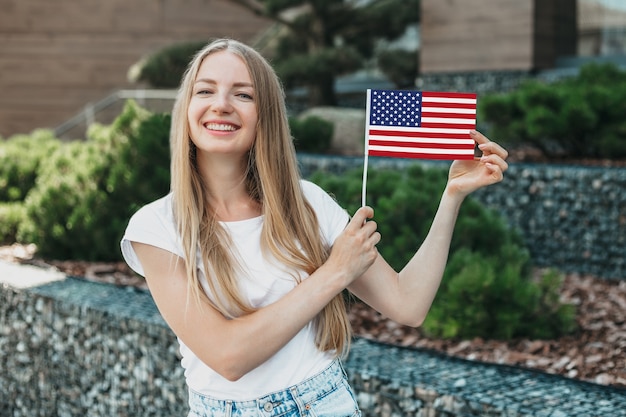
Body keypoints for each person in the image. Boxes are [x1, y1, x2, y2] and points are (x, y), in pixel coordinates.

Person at [120, 38, 508, 417]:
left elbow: (408, 304)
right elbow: (228, 356)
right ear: (187, 106)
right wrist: (335, 272)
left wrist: (451, 196)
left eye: (243, 95)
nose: (221, 105)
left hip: (322, 403)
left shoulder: (309, 205)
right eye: (206, 91)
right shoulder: (157, 227)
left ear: (265, 114)